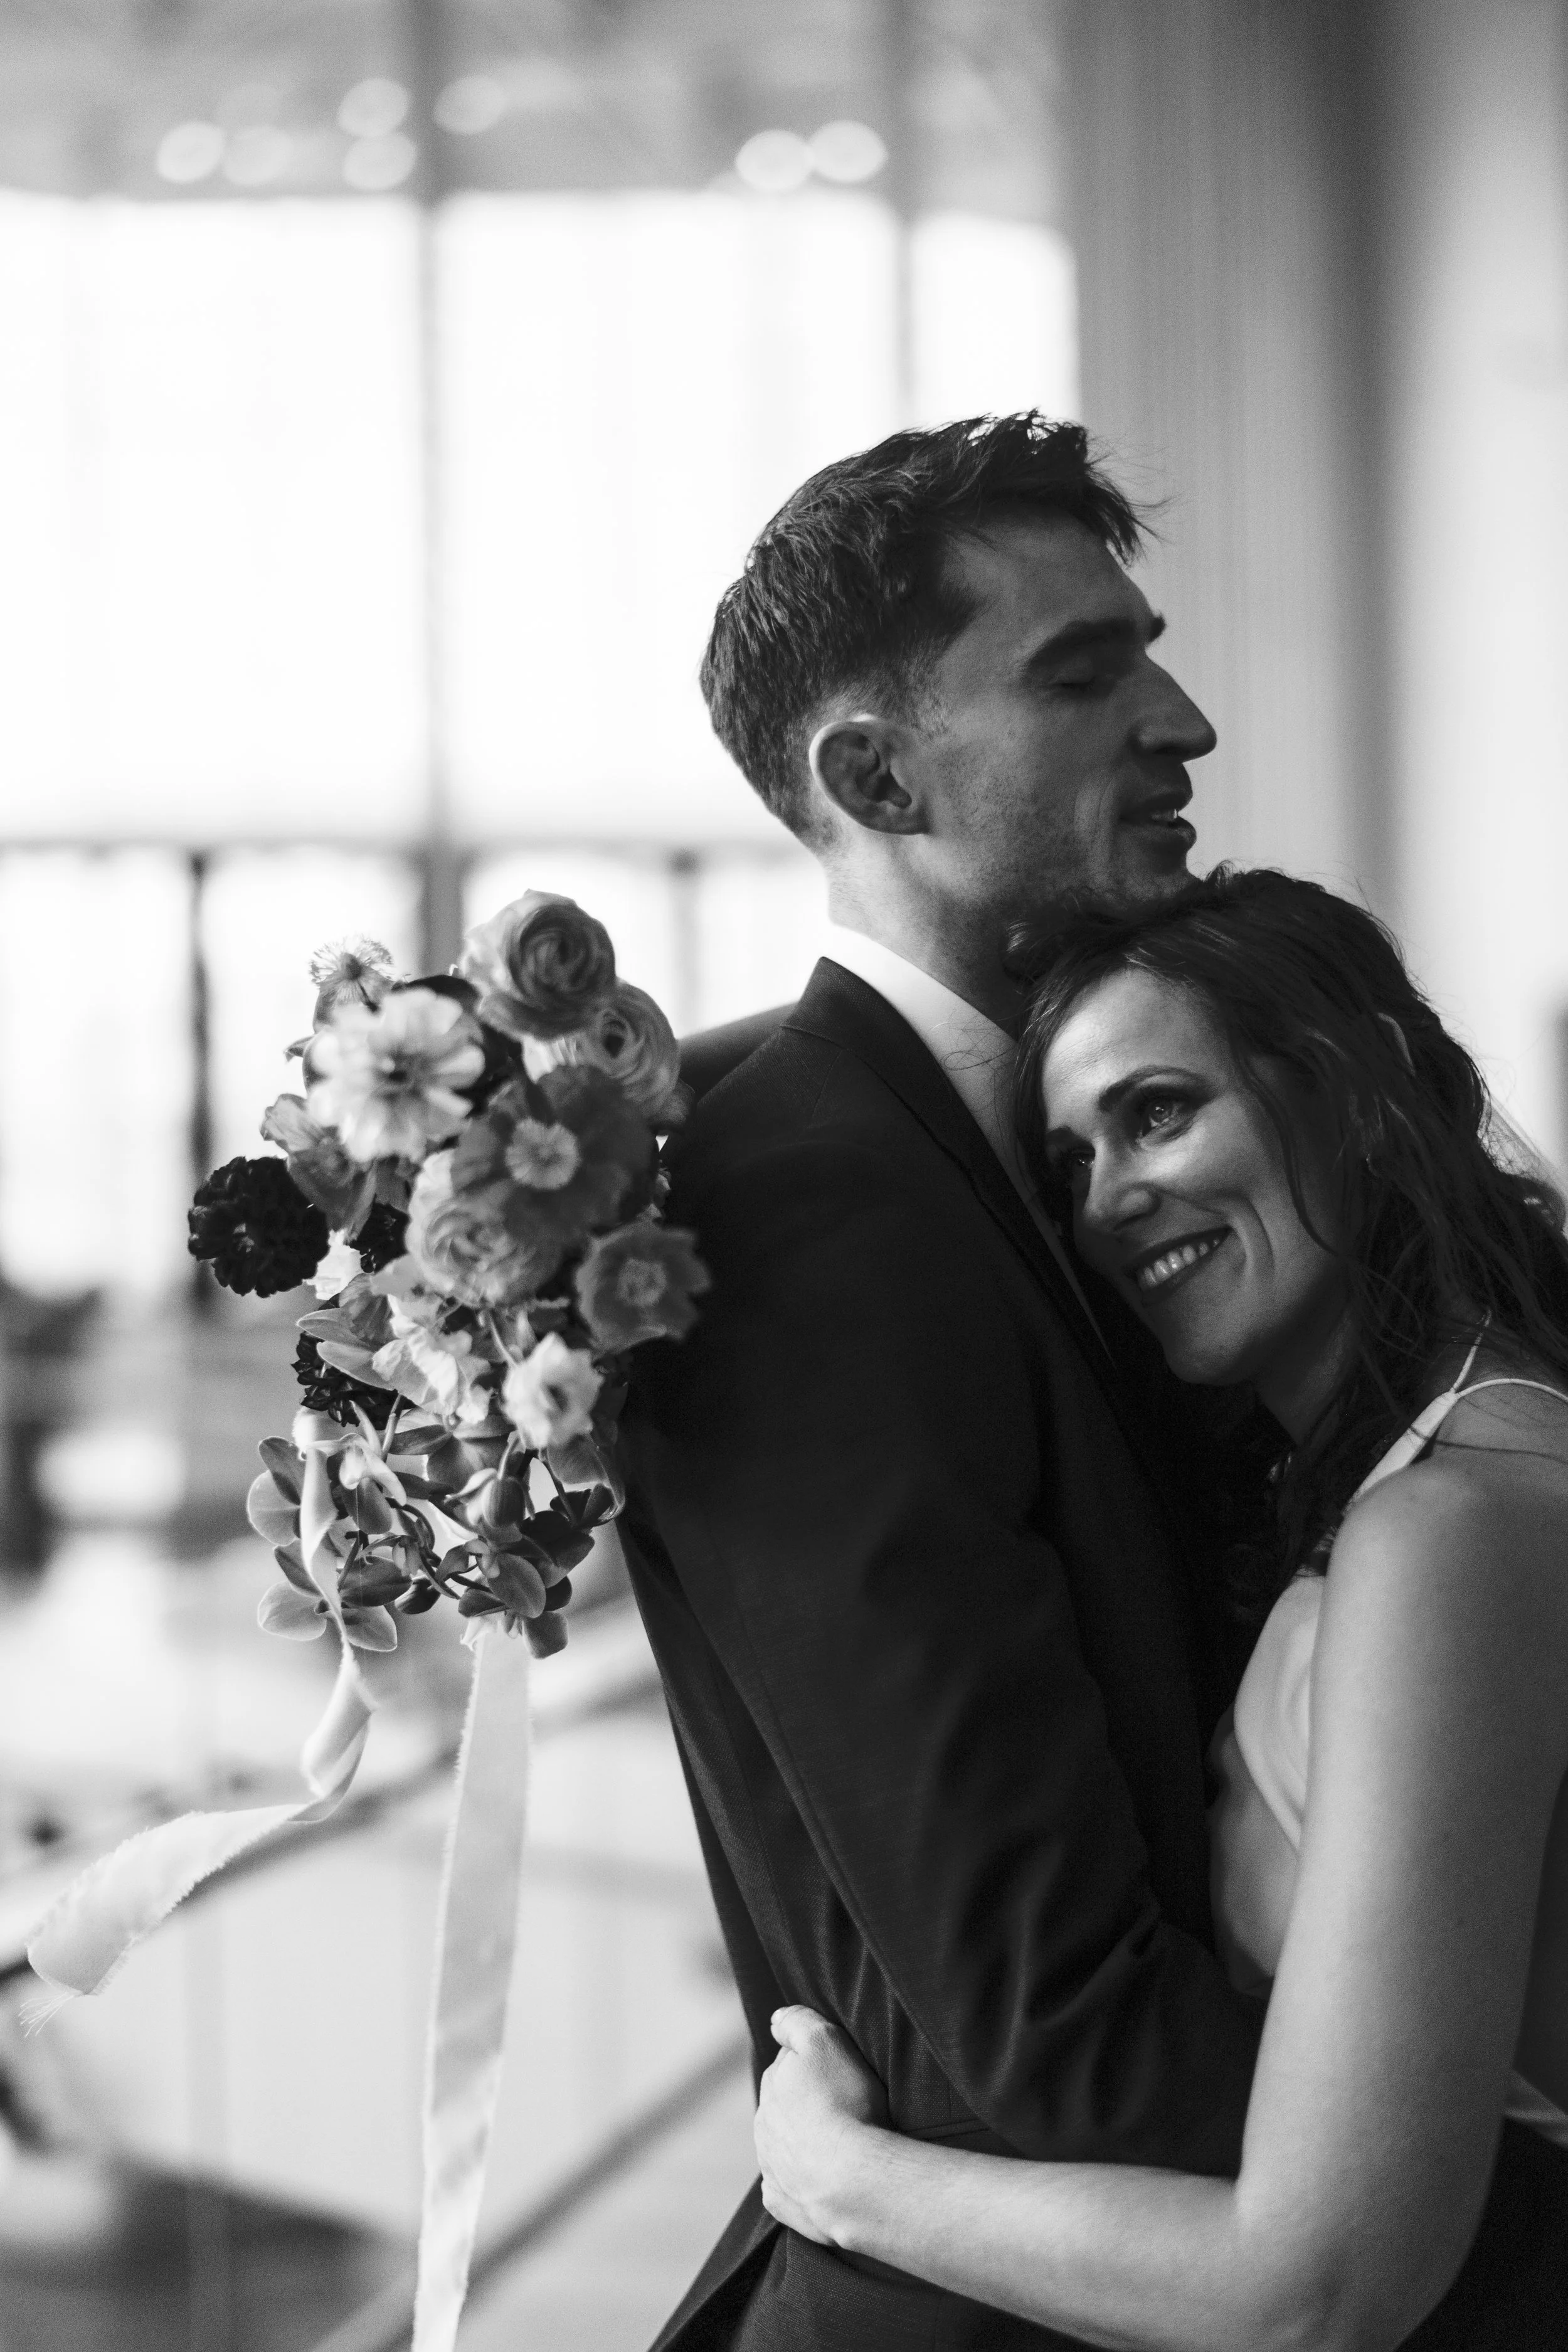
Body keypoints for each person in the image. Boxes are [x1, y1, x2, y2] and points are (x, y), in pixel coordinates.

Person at [619, 411, 1266, 2352]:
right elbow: (1044, 2041)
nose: (1182, 721)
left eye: (1144, 646)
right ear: (870, 771)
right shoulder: (804, 1208)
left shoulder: (1031, 1151)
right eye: (1082, 671)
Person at [754, 867, 1568, 2349]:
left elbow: (1310, 2291)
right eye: (1066, 1165)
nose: (1110, 1201)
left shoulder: (1446, 1532)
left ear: (1361, 1089)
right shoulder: (1462, 1455)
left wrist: (843, 2180)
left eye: (1157, 1110)